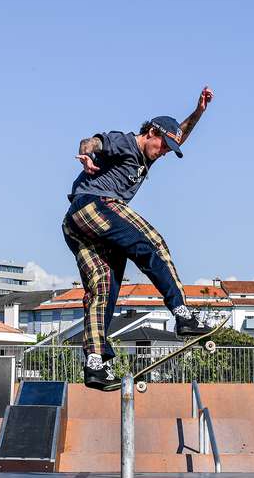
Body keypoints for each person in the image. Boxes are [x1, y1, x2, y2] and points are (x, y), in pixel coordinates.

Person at [63, 87, 215, 391]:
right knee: (153, 244)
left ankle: (95, 364)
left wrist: (198, 112)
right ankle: (182, 313)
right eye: (161, 146)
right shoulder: (128, 142)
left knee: (102, 286)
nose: (163, 152)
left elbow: (179, 135)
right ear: (150, 132)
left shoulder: (152, 153)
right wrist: (88, 154)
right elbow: (93, 141)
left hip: (75, 226)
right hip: (96, 205)